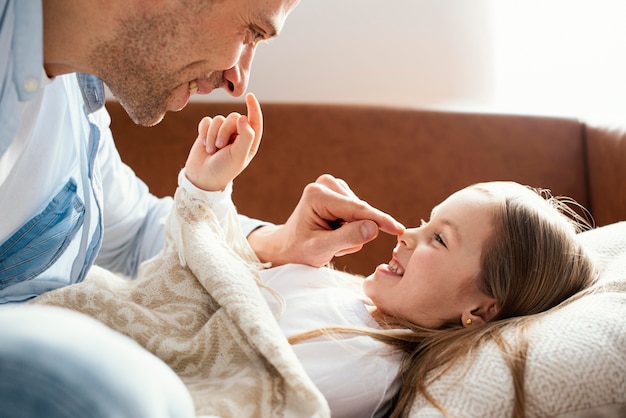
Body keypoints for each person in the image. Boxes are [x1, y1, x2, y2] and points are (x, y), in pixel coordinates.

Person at [33, 97, 599, 418]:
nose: (408, 235)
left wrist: (206, 201)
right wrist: (211, 197)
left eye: (440, 240)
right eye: (424, 222)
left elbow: (229, 385)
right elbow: (196, 284)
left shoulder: (367, 364)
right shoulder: (343, 292)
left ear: (481, 311)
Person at [0, 1, 404, 417]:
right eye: (250, 33)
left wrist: (279, 242)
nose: (239, 79)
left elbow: (134, 231)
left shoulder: (72, 98)